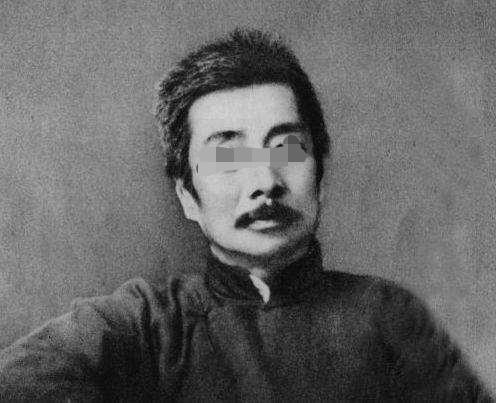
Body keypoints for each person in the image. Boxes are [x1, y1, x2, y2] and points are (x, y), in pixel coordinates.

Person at [0, 29, 492, 402]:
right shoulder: (147, 325)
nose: (265, 180)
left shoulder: (389, 316)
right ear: (187, 196)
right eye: (228, 155)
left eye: (287, 147)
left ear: (320, 176)